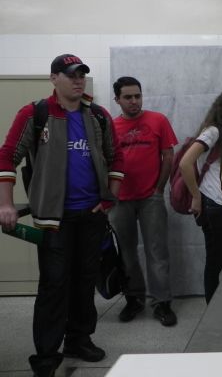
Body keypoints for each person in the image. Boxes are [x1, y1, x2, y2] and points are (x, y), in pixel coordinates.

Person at [0, 54, 124, 377]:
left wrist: (109, 199)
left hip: (91, 216)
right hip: (53, 220)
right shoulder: (36, 113)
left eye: (81, 74)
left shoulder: (97, 115)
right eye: (70, 75)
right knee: (54, 286)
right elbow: (7, 156)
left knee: (85, 282)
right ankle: (46, 356)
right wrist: (6, 204)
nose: (78, 80)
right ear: (54, 78)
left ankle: (79, 340)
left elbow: (116, 157)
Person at [110, 76, 178, 326]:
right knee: (126, 253)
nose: (134, 101)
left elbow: (168, 155)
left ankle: (162, 303)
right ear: (117, 99)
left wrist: (159, 189)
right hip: (120, 201)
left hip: (151, 198)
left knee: (157, 252)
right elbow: (105, 161)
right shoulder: (110, 126)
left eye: (137, 96)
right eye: (127, 97)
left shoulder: (158, 120)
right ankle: (134, 300)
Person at [178, 88, 222, 304]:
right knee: (216, 260)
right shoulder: (213, 131)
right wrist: (196, 197)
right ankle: (212, 309)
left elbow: (218, 169)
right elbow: (185, 163)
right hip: (213, 205)